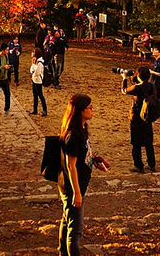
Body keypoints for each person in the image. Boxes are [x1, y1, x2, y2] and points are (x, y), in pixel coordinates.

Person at [57, 94, 108, 256]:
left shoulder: (83, 129)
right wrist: (77, 193)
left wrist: (94, 160)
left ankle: (62, 252)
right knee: (75, 230)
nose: (93, 110)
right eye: (90, 108)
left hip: (77, 184)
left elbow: (81, 156)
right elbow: (71, 166)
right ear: (80, 111)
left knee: (67, 221)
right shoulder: (74, 135)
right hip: (72, 186)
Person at [122, 67, 156, 173]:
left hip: (137, 116)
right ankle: (151, 164)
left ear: (138, 76)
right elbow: (143, 87)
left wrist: (124, 79)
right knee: (148, 142)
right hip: (147, 116)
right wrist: (134, 80)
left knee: (136, 142)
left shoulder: (136, 88)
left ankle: (138, 165)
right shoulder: (151, 86)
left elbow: (124, 91)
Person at [29, 49, 48, 116]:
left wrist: (33, 71)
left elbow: (37, 72)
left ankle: (45, 110)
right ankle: (35, 109)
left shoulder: (40, 63)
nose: (32, 53)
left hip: (38, 81)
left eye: (33, 52)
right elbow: (31, 69)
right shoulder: (34, 61)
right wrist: (33, 71)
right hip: (34, 80)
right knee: (35, 95)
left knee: (40, 95)